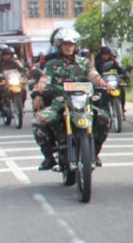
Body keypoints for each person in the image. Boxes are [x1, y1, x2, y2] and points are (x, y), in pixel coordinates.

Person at [31, 28, 110, 171]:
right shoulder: (52, 64)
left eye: (71, 44)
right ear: (59, 46)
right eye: (65, 44)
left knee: (104, 119)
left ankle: (95, 153)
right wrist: (39, 90)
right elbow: (45, 79)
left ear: (76, 46)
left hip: (84, 102)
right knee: (38, 121)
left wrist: (104, 84)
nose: (69, 47)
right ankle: (49, 157)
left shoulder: (84, 62)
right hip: (60, 103)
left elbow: (94, 75)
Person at [93, 45, 129, 112]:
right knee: (96, 95)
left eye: (107, 55)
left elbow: (119, 69)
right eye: (104, 55)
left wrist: (125, 73)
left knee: (122, 90)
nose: (105, 56)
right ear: (101, 54)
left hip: (110, 81)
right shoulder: (96, 61)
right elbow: (93, 72)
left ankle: (122, 108)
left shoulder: (112, 61)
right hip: (100, 82)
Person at [0, 44, 23, 112]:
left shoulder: (15, 62)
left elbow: (22, 69)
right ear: (1, 56)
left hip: (15, 80)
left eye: (8, 54)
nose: (7, 56)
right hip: (3, 81)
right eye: (5, 55)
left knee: (23, 90)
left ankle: (20, 104)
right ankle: (1, 105)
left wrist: (26, 73)